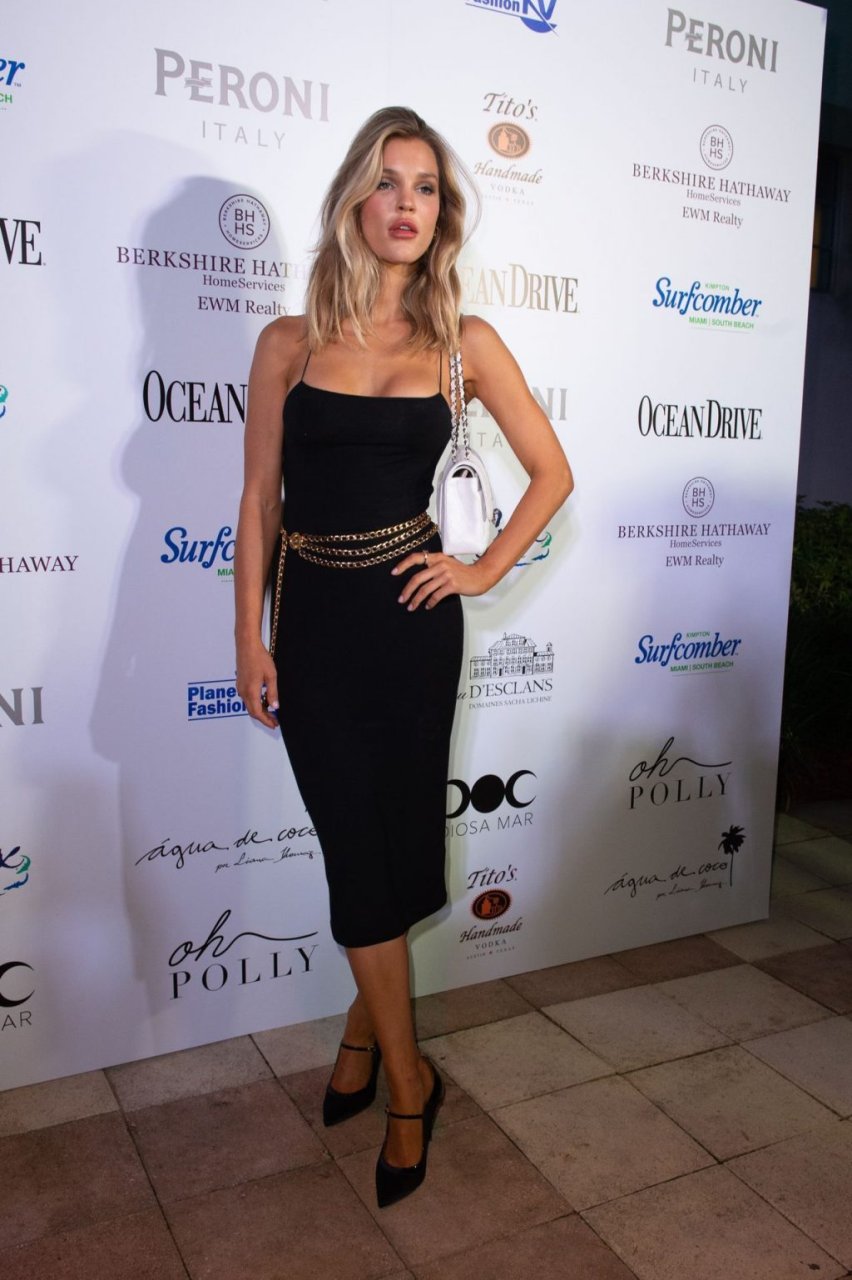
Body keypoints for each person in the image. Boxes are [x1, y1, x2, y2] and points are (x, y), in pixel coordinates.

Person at [234, 106, 573, 1208]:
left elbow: (553, 474)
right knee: (355, 850)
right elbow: (258, 502)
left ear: (443, 213)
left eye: (426, 187)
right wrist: (249, 634)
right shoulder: (286, 344)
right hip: (316, 628)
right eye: (388, 182)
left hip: (413, 622)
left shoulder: (464, 344)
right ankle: (408, 1070)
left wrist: (479, 571)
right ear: (354, 200)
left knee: (391, 851)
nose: (407, 205)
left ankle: (376, 1051)